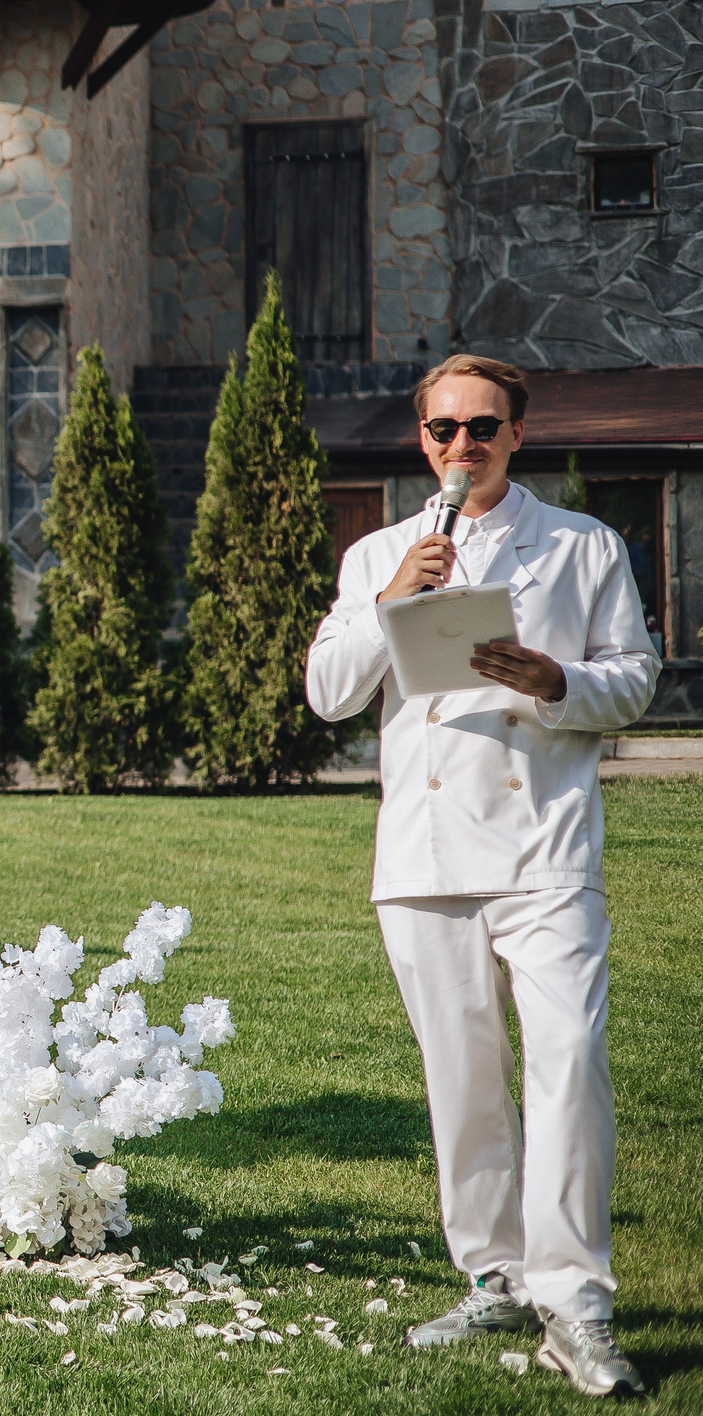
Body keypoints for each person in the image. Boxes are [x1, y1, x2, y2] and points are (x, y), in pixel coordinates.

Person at [306, 354, 656, 1398]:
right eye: (444, 428)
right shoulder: (379, 551)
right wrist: (388, 602)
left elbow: (633, 679)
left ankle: (576, 1302)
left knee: (569, 1061)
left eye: (483, 427)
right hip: (422, 854)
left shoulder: (583, 545)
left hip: (544, 844)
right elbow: (329, 692)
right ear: (422, 440)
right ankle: (495, 1276)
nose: (463, 445)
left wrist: (557, 681)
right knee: (460, 1081)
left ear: (516, 435)